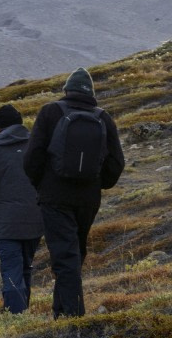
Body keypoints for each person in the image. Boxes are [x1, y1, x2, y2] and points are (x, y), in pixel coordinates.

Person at [23, 67, 126, 318]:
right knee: (74, 253)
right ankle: (61, 313)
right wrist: (98, 184)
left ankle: (73, 318)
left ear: (66, 91)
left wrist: (42, 185)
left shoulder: (50, 112)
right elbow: (117, 163)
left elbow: (31, 159)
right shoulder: (103, 117)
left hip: (54, 197)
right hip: (88, 199)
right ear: (91, 93)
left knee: (65, 256)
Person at [0, 103, 43, 313]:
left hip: (5, 221)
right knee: (25, 267)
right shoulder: (37, 146)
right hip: (34, 218)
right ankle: (22, 311)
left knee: (12, 269)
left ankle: (16, 316)